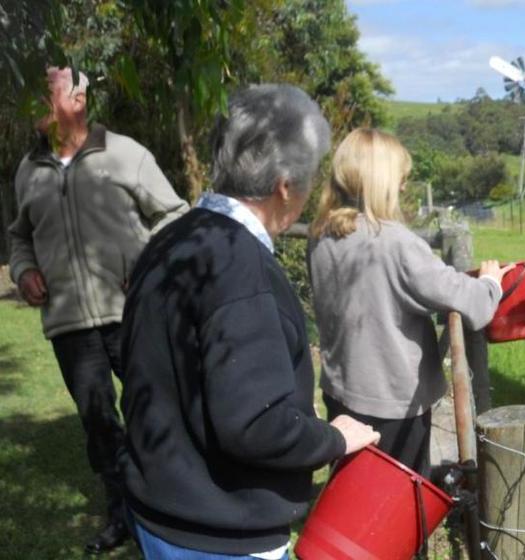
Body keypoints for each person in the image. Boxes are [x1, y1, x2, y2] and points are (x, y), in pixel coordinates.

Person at [118, 84, 380, 560]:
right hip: (219, 534)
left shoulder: (170, 238)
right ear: (285, 186)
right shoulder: (241, 267)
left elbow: (136, 360)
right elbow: (257, 423)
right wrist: (335, 438)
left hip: (159, 511)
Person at [7, 66, 188, 554]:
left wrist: (147, 262)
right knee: (99, 425)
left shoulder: (126, 155)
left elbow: (175, 214)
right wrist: (22, 272)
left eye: (46, 93)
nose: (36, 102)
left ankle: (180, 504)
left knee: (160, 409)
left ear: (79, 101)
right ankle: (124, 516)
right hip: (69, 325)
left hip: (131, 314)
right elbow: (19, 236)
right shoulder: (28, 170)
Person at [309, 128, 511, 478]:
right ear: (381, 182)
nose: (404, 187)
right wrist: (491, 282)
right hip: (393, 405)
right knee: (399, 502)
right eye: (400, 179)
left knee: (351, 491)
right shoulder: (396, 244)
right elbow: (469, 302)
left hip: (340, 390)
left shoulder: (322, 234)